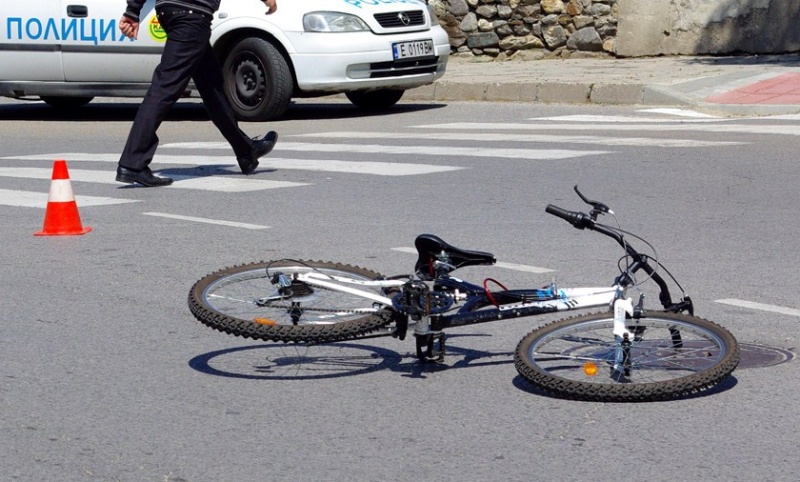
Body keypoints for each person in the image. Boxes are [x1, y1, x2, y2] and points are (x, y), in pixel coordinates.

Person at [116, 0, 278, 187]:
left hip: (171, 12)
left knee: (211, 86)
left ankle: (246, 151)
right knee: (164, 88)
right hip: (191, 15)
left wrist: (133, 10)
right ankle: (132, 163)